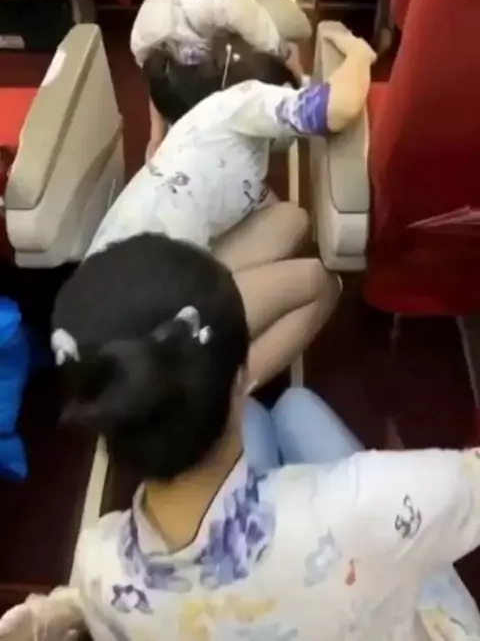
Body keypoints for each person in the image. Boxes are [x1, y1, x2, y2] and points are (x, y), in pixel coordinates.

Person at [3, 233, 480, 641]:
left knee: (279, 414)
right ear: (240, 376)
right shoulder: (372, 499)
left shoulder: (98, 563)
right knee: (296, 410)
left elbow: (94, 600)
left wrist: (58, 612)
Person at [85, 27, 375, 387]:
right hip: (138, 329)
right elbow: (340, 106)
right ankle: (221, 399)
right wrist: (360, 54)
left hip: (109, 291)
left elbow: (270, 215)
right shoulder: (247, 99)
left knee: (292, 220)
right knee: (321, 283)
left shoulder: (208, 126)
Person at [129, 0, 313, 157]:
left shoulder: (226, 2)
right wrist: (156, 138)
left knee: (298, 29)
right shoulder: (142, 41)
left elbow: (277, 45)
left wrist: (299, 88)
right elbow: (156, 86)